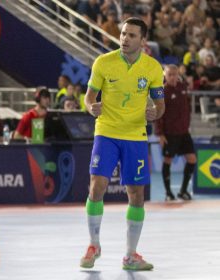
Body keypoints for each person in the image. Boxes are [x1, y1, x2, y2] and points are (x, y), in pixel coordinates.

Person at [80, 17, 165, 271]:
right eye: (123, 34)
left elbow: (160, 105)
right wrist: (91, 108)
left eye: (131, 35)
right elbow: (88, 97)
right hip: (106, 131)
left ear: (142, 40)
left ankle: (130, 256)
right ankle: (94, 244)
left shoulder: (152, 68)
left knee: (136, 194)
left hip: (135, 136)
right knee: (97, 186)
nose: (125, 39)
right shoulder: (103, 63)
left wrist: (155, 113)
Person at [155, 65, 196, 201]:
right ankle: (168, 193)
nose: (173, 77)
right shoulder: (162, 91)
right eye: (170, 74)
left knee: (192, 159)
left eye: (175, 74)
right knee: (168, 161)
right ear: (165, 75)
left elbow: (187, 108)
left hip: (184, 132)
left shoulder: (183, 87)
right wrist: (160, 134)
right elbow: (158, 114)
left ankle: (183, 191)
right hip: (169, 133)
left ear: (178, 74)